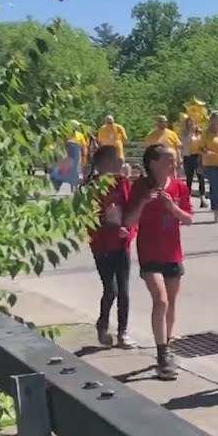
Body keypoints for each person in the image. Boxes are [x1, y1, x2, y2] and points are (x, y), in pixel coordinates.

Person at [123, 143, 194, 380]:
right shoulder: (140, 186)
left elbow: (188, 219)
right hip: (150, 253)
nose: (173, 165)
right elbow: (129, 219)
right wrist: (143, 202)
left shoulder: (179, 186)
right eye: (168, 160)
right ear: (153, 163)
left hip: (172, 253)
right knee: (160, 300)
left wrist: (171, 207)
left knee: (171, 302)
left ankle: (167, 345)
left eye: (174, 160)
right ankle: (162, 353)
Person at [85, 146, 137, 349]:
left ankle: (123, 331)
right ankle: (102, 323)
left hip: (121, 244)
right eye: (117, 159)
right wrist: (105, 227)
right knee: (111, 290)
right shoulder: (92, 187)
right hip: (101, 246)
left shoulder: (122, 183)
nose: (121, 162)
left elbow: (132, 212)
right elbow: (88, 220)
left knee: (123, 290)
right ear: (105, 163)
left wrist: (128, 230)